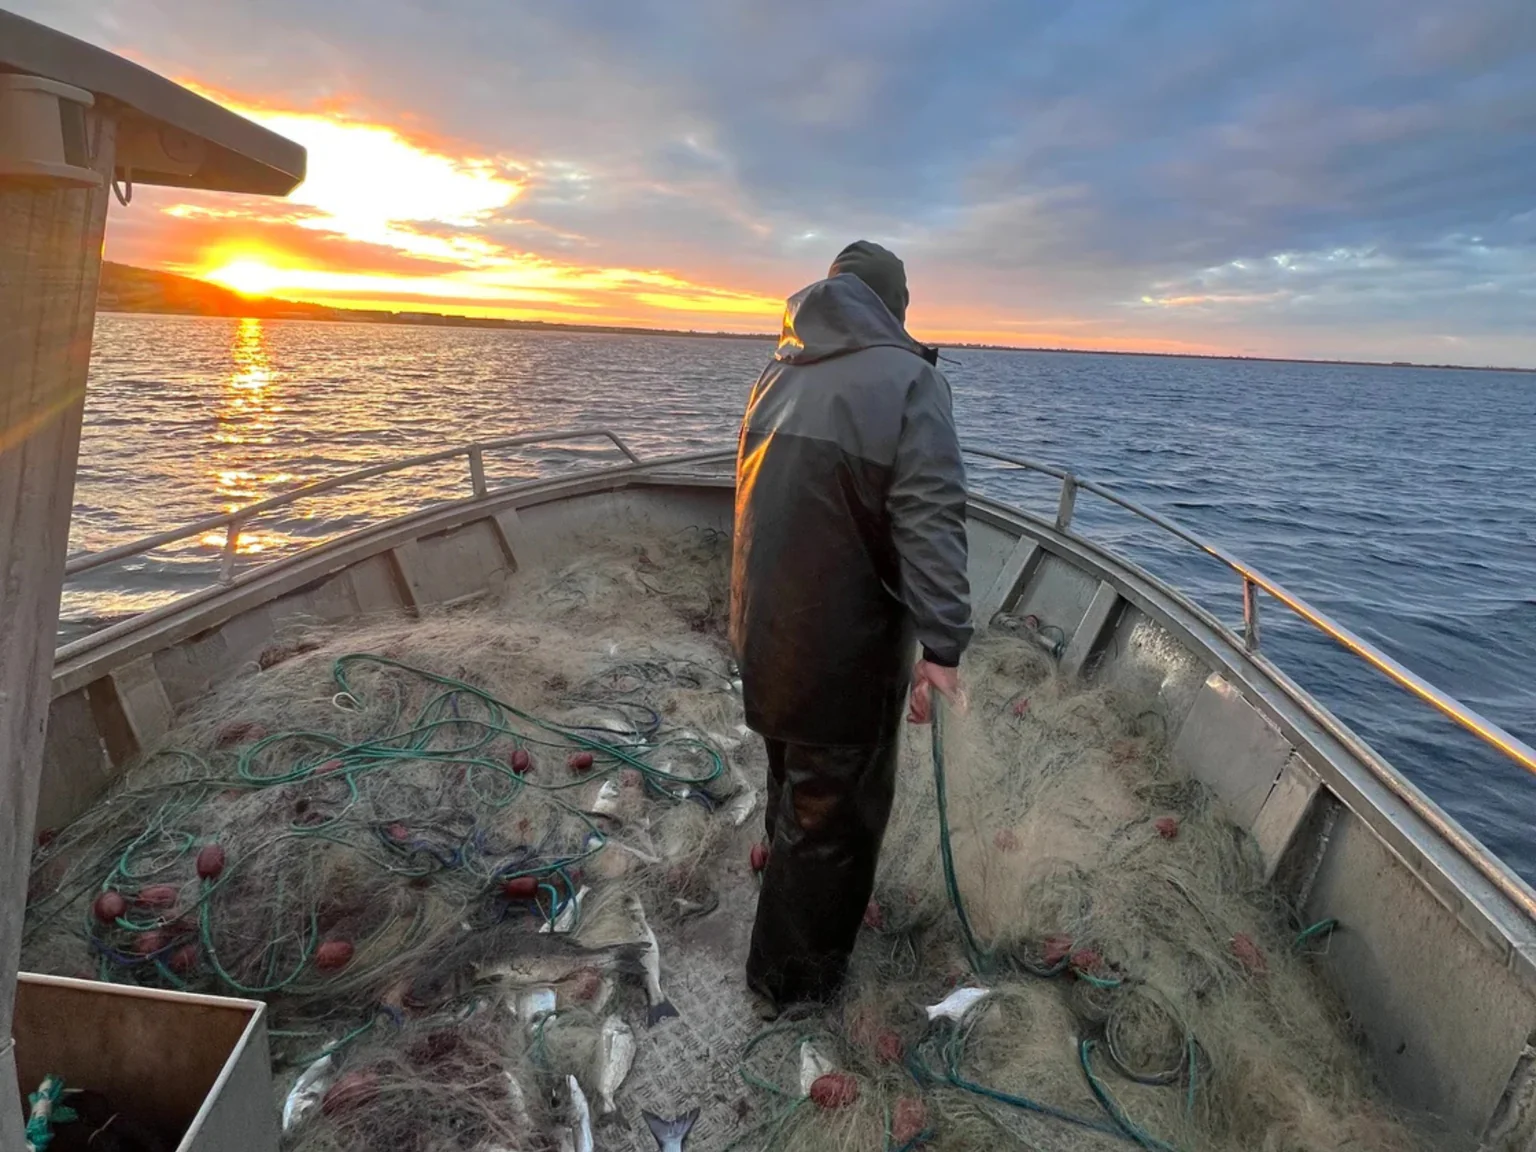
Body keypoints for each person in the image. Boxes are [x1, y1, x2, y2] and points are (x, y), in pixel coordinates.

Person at [730, 239, 973, 1011]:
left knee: (791, 774)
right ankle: (788, 988)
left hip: (764, 634)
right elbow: (929, 517)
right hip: (841, 653)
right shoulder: (910, 380)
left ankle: (781, 875)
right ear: (893, 305)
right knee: (834, 820)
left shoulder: (780, 370)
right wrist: (944, 645)